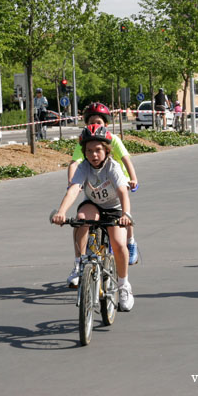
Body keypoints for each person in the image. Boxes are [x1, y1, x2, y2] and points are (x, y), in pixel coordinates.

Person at [52, 124, 135, 311]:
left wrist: (126, 215)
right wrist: (61, 212)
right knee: (81, 218)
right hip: (93, 205)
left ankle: (123, 286)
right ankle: (81, 263)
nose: (94, 155)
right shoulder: (83, 168)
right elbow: (74, 190)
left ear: (106, 150)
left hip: (115, 208)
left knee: (119, 244)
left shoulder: (112, 167)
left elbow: (123, 192)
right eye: (89, 151)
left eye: (98, 150)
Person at [66, 102, 140, 278]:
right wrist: (71, 182)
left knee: (124, 214)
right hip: (95, 185)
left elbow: (125, 158)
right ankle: (80, 263)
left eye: (98, 122)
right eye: (91, 122)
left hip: (116, 181)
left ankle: (130, 241)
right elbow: (75, 163)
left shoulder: (113, 139)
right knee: (82, 221)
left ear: (105, 124)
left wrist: (133, 177)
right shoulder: (85, 141)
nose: (95, 125)